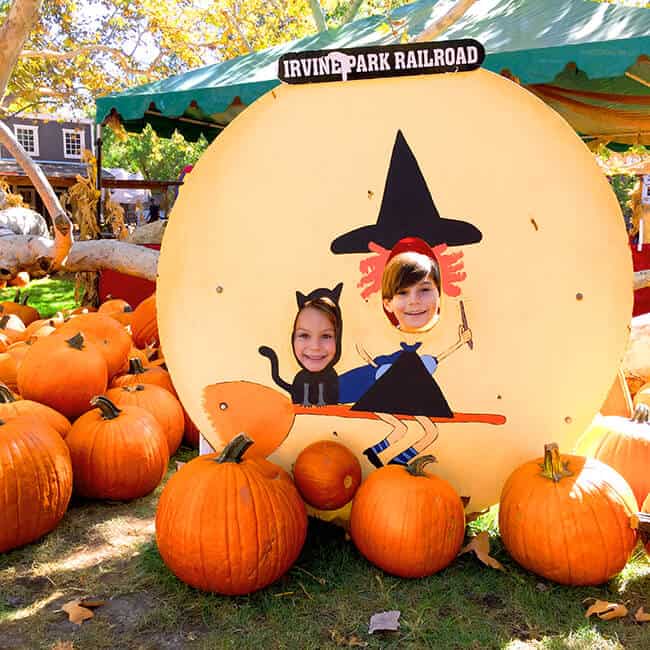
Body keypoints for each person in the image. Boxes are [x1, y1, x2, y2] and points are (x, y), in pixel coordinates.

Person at [354, 250, 471, 467]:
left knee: (428, 431)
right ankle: (382, 455)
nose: (414, 301)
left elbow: (440, 356)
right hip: (387, 396)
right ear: (387, 303)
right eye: (403, 293)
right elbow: (372, 360)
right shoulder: (384, 345)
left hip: (408, 399)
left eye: (424, 290)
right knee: (413, 429)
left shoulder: (424, 357)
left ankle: (395, 460)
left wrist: (460, 342)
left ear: (439, 295)